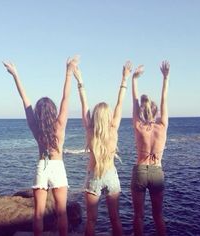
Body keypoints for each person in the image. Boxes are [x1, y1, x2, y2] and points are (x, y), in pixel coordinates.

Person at [3, 56, 79, 236]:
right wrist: (69, 73)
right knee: (61, 213)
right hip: (58, 167)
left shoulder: (35, 127)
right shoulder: (60, 125)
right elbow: (65, 98)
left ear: (38, 112)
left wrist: (15, 75)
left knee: (37, 214)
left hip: (41, 167)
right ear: (53, 111)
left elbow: (25, 100)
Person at [72, 60, 132, 236]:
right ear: (108, 116)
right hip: (112, 176)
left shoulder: (90, 131)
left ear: (95, 117)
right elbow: (120, 104)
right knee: (115, 219)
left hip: (94, 176)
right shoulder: (113, 130)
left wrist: (80, 80)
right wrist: (124, 79)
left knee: (91, 220)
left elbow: (84, 106)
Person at [130, 61, 170, 236]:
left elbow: (134, 100)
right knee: (158, 215)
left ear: (142, 112)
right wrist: (165, 77)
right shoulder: (162, 126)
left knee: (138, 216)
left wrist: (134, 79)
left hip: (140, 170)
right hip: (157, 172)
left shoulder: (138, 125)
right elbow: (164, 99)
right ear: (156, 113)